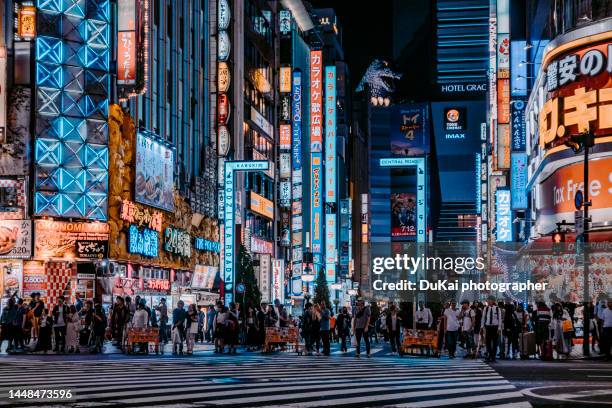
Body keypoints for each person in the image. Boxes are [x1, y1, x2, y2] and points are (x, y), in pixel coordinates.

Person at [483, 296, 503, 362]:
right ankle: (490, 355)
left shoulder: (497, 309)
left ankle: (493, 356)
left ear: (492, 301)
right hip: (488, 326)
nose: (488, 301)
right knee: (488, 342)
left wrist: (499, 328)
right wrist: (482, 327)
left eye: (489, 300)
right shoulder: (485, 309)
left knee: (495, 342)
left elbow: (500, 319)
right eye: (487, 300)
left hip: (495, 327)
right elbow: (483, 318)